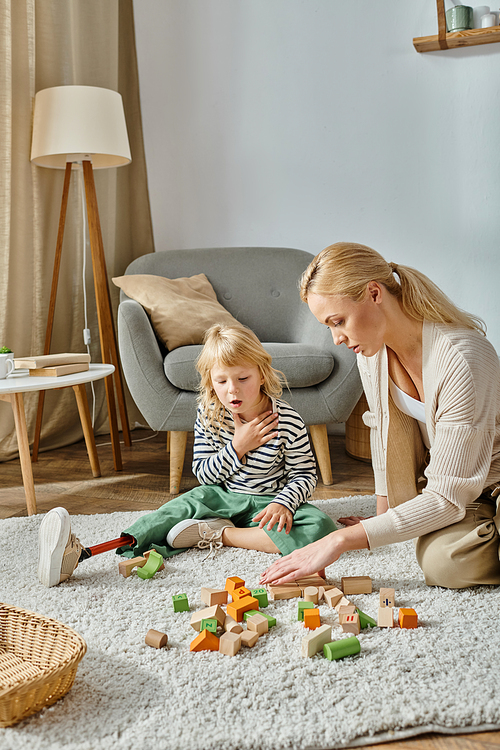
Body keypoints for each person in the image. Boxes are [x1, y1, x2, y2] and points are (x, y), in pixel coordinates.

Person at [260, 241, 500, 590]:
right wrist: (383, 515)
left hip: (488, 478)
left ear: (374, 293)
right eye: (329, 327)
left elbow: (446, 499)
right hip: (467, 488)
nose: (337, 339)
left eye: (338, 321)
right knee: (444, 565)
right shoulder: (372, 354)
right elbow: (381, 428)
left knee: (439, 535)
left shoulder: (461, 357)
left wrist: (340, 540)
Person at [38, 323, 336, 587]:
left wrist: (284, 504)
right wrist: (237, 447)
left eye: (243, 378)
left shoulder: (286, 420)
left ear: (261, 373)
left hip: (269, 501)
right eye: (221, 381)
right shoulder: (209, 415)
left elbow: (305, 473)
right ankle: (81, 555)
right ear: (210, 382)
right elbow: (204, 474)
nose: (232, 390)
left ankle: (219, 535)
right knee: (172, 512)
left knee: (322, 528)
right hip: (220, 497)